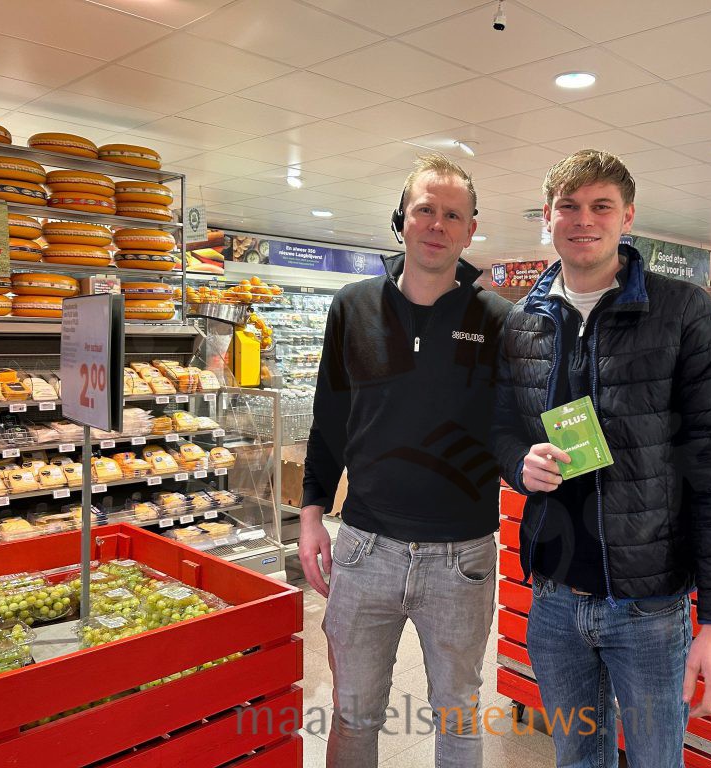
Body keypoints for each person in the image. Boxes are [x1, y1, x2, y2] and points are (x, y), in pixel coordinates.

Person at [492, 149, 711, 767]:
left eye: (601, 206)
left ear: (627, 216)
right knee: (577, 758)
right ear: (548, 217)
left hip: (650, 606)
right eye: (569, 206)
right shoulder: (522, 323)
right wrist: (517, 463)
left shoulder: (682, 311)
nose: (584, 220)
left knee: (657, 759)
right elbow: (498, 427)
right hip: (554, 597)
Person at [299, 154, 511, 768]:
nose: (437, 225)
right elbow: (329, 419)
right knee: (353, 713)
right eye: (425, 210)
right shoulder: (352, 307)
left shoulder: (496, 320)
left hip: (463, 557)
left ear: (471, 230)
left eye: (453, 215)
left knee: (459, 715)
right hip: (365, 548)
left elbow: (510, 428)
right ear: (401, 220)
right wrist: (311, 515)